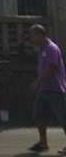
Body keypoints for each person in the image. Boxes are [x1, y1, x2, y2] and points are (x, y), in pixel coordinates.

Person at [28, 24, 66, 153]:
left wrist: (37, 82)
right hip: (44, 89)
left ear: (40, 35)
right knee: (39, 115)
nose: (31, 39)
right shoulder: (42, 49)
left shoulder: (51, 48)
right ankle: (43, 142)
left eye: (33, 36)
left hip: (55, 89)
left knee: (63, 117)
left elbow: (50, 67)